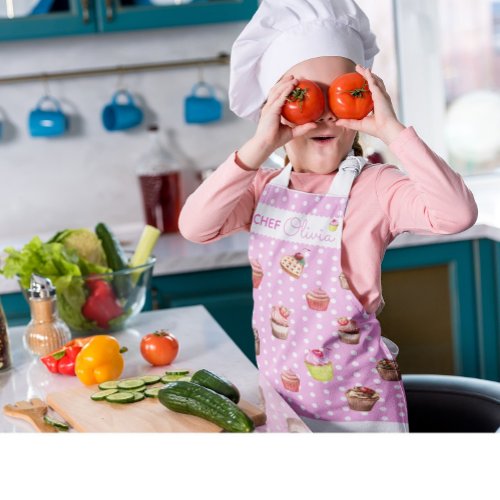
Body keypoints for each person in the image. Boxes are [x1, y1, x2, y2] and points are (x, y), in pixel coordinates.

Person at [178, 0, 478, 432]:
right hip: (282, 403)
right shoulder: (262, 188)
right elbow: (195, 226)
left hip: (361, 411)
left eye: (342, 94)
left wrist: (392, 129)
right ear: (275, 107)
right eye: (304, 95)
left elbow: (457, 213)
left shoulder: (375, 187)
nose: (322, 114)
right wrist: (259, 145)